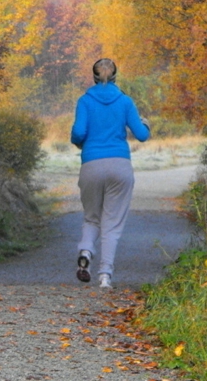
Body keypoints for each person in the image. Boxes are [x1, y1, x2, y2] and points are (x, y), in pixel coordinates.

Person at [70, 58, 150, 288]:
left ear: (93, 76)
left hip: (91, 165)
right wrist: (146, 124)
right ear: (115, 76)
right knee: (112, 224)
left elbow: (78, 132)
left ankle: (86, 250)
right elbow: (141, 135)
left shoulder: (85, 101)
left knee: (91, 217)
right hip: (120, 166)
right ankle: (105, 275)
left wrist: (79, 141)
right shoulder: (125, 101)